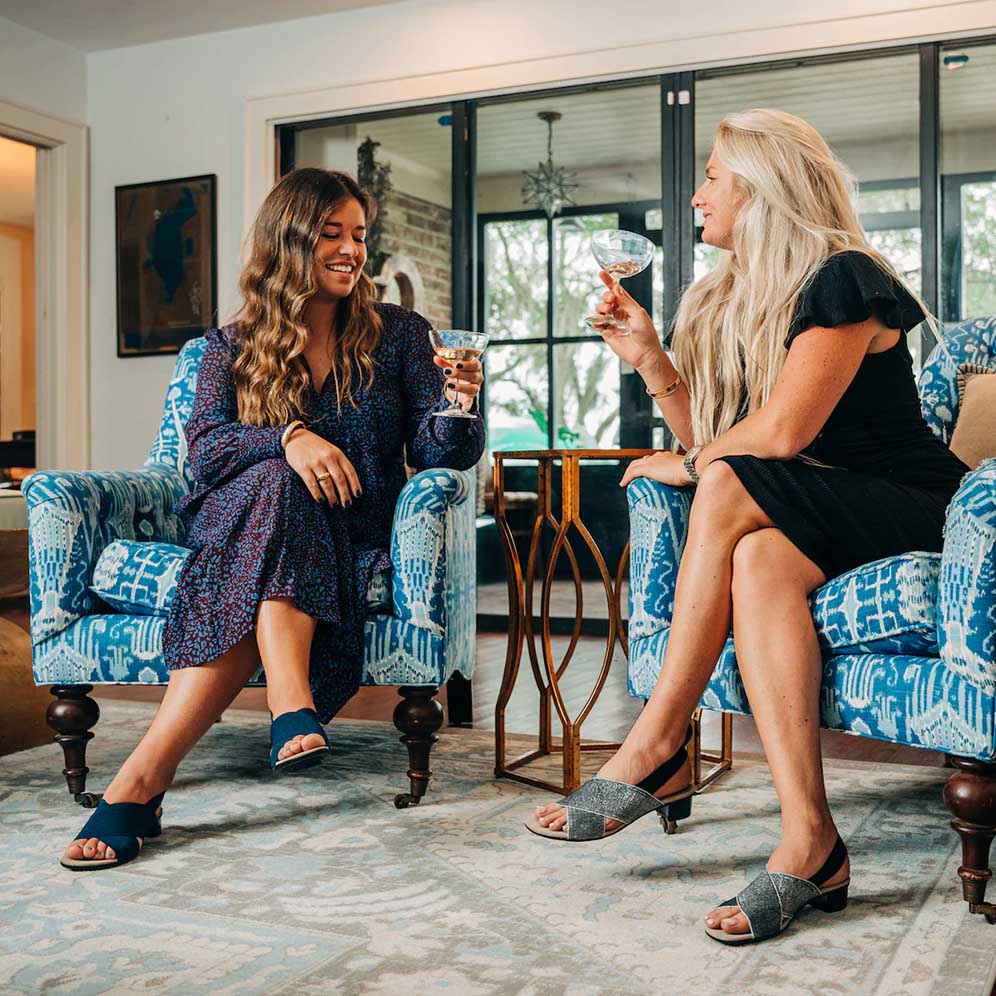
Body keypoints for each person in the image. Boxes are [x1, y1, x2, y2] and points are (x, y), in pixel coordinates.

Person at [527, 109, 969, 944]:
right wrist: (652, 360)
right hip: (815, 507)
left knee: (727, 486)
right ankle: (812, 842)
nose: (696, 197)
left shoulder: (847, 276)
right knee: (760, 559)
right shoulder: (731, 298)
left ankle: (658, 743)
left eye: (713, 178)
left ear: (764, 188)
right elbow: (726, 446)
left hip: (917, 505)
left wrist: (692, 467)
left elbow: (777, 440)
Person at [61, 168, 485, 870]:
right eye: (332, 234)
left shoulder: (403, 335)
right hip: (236, 524)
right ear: (289, 241)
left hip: (346, 530)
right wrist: (289, 437)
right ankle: (289, 700)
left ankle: (139, 785)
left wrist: (458, 405)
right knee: (273, 482)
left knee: (273, 509)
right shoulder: (228, 346)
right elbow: (205, 451)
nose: (352, 250)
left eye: (359, 236)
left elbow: (442, 457)